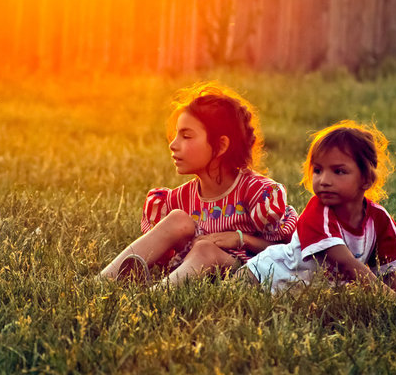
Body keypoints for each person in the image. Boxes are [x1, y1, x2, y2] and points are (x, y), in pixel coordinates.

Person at [98, 81, 298, 286]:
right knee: (177, 219)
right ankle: (102, 282)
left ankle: (155, 297)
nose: (173, 144)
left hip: (240, 270)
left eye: (186, 136)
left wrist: (240, 238)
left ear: (221, 146)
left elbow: (288, 251)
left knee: (205, 250)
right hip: (190, 268)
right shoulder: (178, 199)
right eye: (175, 134)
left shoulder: (256, 192)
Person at [242, 120, 396, 295]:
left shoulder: (379, 218)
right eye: (318, 170)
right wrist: (385, 296)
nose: (324, 181)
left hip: (307, 290)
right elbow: (345, 263)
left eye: (338, 171)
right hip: (263, 275)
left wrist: (394, 303)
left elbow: (387, 273)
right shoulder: (318, 211)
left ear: (366, 179)